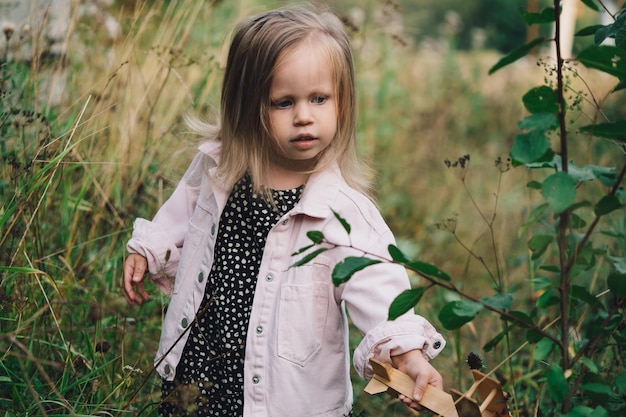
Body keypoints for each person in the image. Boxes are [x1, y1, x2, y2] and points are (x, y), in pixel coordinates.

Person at [122, 5, 446, 417]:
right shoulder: (220, 168)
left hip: (286, 401)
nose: (304, 116)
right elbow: (180, 214)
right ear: (248, 106)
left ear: (342, 102)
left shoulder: (343, 214)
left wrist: (409, 357)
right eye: (283, 102)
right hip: (197, 377)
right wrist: (149, 250)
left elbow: (381, 289)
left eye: (319, 98)